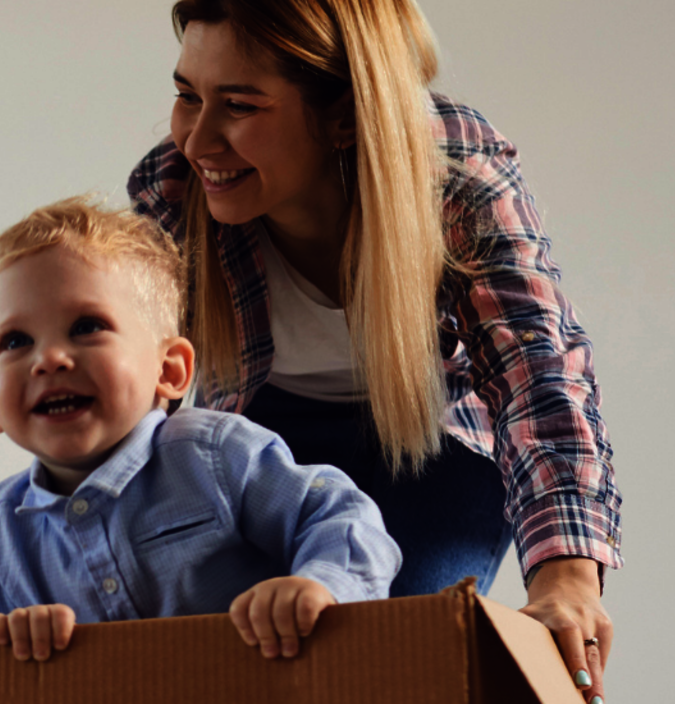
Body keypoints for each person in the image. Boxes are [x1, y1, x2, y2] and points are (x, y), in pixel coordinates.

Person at [127, 1, 623, 700]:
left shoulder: (455, 173)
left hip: (428, 446)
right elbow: (134, 403)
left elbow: (536, 375)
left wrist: (567, 581)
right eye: (187, 96)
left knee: (384, 652)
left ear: (343, 117)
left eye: (238, 105)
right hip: (262, 439)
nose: (197, 140)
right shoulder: (172, 190)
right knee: (236, 644)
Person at [0, 196, 400, 663]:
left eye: (86, 326)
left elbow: (340, 517)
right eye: (16, 341)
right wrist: (13, 642)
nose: (48, 359)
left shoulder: (214, 456)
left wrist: (317, 585)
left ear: (169, 370)